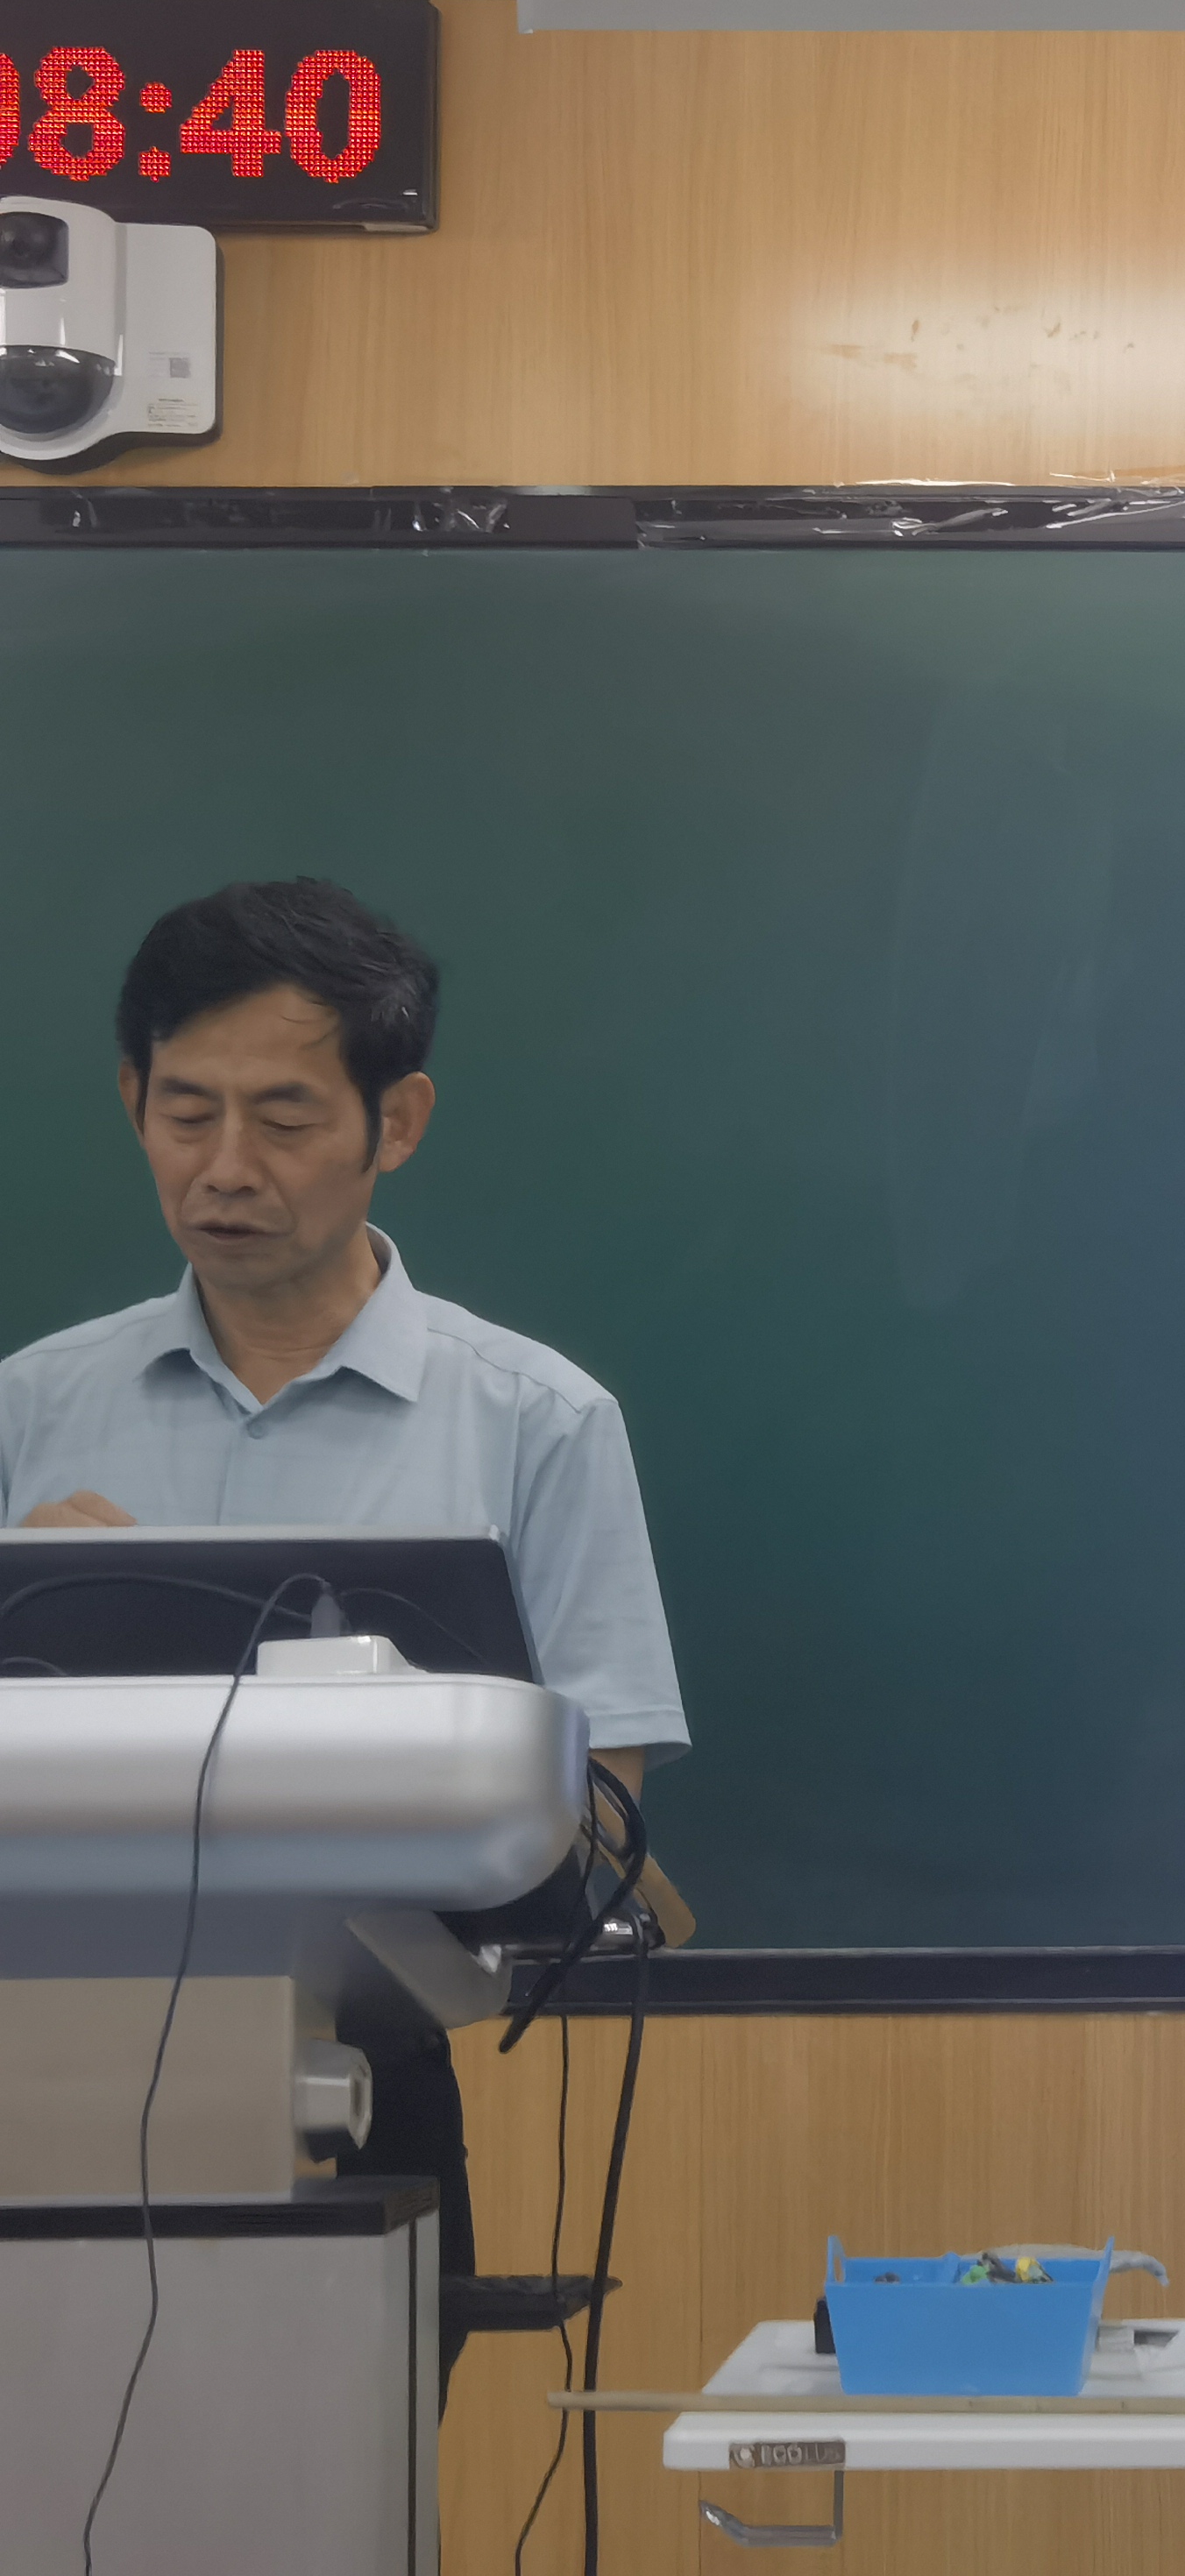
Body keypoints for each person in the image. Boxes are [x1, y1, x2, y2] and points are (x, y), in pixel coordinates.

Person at [0, 878, 692, 2381]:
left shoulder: (537, 1421)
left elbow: (600, 1801)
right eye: (186, 1113)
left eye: (284, 1118)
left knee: (336, 2483)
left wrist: (398, 1736)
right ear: (131, 1101)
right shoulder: (29, 1411)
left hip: (369, 2076)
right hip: (35, 2066)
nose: (225, 1168)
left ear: (399, 1120)